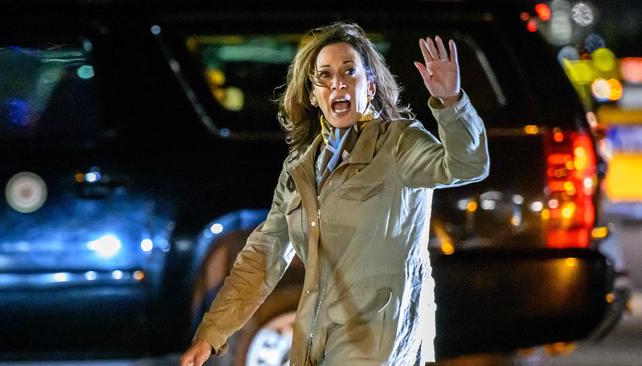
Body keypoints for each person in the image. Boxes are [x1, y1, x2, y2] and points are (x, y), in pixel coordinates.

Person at [180, 21, 489, 366]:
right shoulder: (301, 168)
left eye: (349, 71)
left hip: (380, 340)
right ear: (313, 95)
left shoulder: (400, 144)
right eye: (324, 75)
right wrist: (211, 334)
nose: (337, 83)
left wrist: (451, 102)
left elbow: (466, 165)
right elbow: (262, 258)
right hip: (317, 338)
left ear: (369, 86)